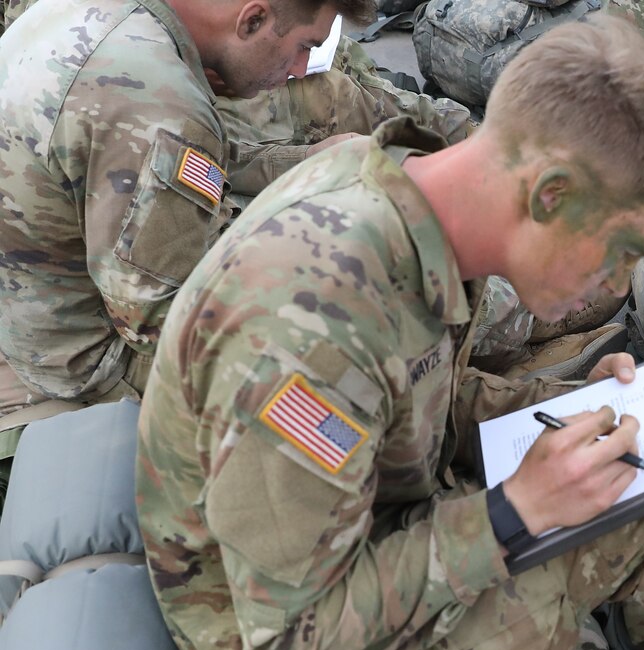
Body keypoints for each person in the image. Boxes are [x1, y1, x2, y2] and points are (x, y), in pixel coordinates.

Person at [135, 14, 644, 650]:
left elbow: (406, 402)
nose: (615, 284)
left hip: (368, 527)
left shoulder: (403, 195)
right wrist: (516, 511)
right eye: (620, 250)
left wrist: (556, 402)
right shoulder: (310, 333)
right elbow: (294, 630)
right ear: (550, 195)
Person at [0, 0, 371, 417]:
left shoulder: (120, 21)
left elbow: (189, 163)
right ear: (253, 20)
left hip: (40, 297)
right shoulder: (159, 102)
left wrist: (309, 163)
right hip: (86, 359)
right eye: (305, 46)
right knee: (334, 386)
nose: (302, 69)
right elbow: (160, 323)